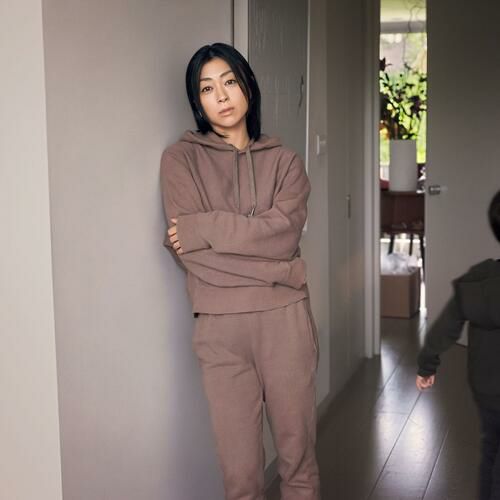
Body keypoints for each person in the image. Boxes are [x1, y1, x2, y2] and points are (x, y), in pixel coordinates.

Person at [160, 42, 320, 500]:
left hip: (285, 323)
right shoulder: (180, 160)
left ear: (247, 85)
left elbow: (284, 236)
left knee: (298, 463)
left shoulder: (285, 162)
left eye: (229, 81)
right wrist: (275, 268)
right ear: (197, 101)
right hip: (219, 329)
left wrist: (205, 227)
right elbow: (189, 254)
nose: (222, 96)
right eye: (207, 88)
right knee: (241, 477)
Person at [416, 190, 500, 500]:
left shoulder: (479, 282)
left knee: (492, 445)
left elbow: (444, 327)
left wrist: (427, 365)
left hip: (487, 388)